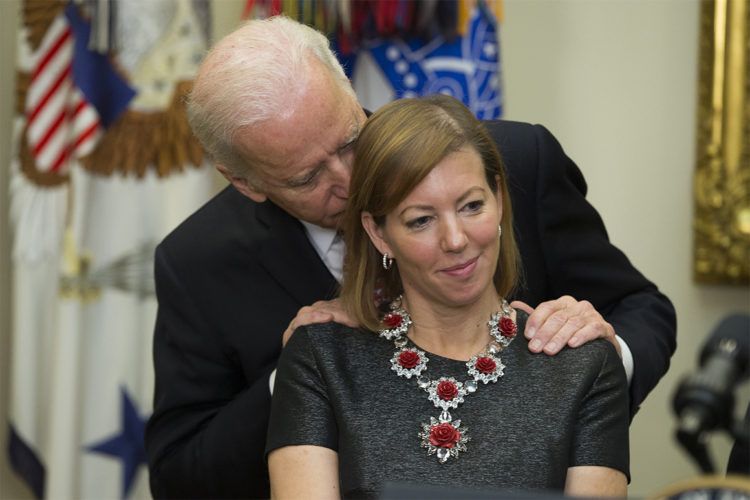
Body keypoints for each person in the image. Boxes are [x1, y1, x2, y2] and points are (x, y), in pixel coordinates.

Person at [144, 16, 675, 499]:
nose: (350, 182)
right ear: (246, 182)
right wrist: (292, 381)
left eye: (351, 141)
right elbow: (181, 476)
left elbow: (642, 307)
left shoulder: (514, 164)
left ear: (349, 89)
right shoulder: (198, 261)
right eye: (307, 178)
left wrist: (593, 360)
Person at [267, 94, 629, 498]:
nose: (456, 240)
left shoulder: (582, 364)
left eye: (472, 206)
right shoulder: (321, 358)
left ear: (500, 199)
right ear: (378, 233)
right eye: (421, 220)